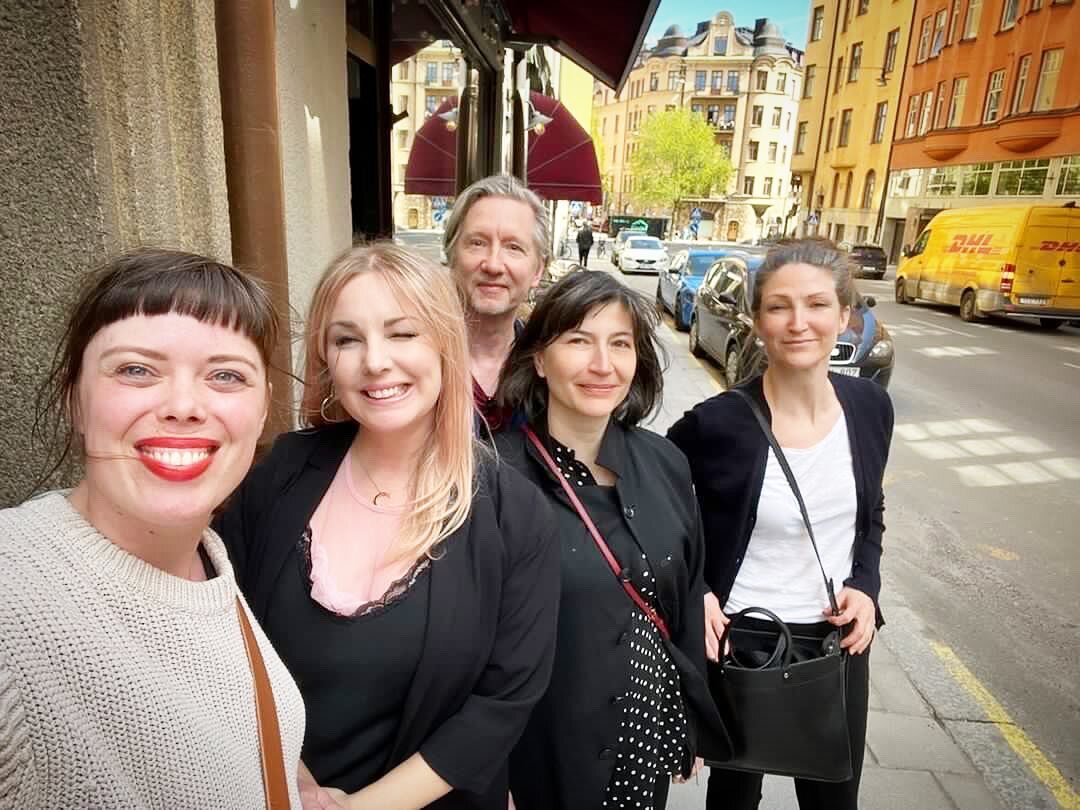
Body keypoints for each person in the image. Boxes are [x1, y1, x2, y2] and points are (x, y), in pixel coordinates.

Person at [214, 242, 561, 809]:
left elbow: (503, 701)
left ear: (447, 346)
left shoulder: (515, 516)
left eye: (402, 333)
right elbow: (227, 639)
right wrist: (294, 780)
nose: (375, 360)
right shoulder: (281, 474)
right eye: (347, 338)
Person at [0, 249, 308, 808]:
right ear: (75, 396)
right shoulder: (13, 598)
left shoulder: (209, 562)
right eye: (137, 369)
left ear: (263, 410)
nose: (184, 405)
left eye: (226, 375)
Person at [666, 239, 894, 810]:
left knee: (835, 799)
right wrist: (697, 591)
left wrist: (866, 586)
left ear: (844, 315)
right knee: (735, 796)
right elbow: (656, 512)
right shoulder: (716, 424)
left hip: (838, 643)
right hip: (746, 644)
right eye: (779, 307)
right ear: (756, 318)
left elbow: (871, 516)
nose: (799, 323)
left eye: (817, 305)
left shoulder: (870, 408)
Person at [495, 271, 730, 810]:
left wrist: (688, 712)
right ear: (538, 358)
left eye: (619, 344)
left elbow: (687, 591)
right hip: (542, 754)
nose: (603, 365)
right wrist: (486, 772)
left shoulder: (665, 463)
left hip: (641, 741)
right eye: (579, 340)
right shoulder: (496, 479)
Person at [442, 174, 551, 431]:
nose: (492, 265)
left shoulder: (552, 371)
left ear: (538, 270)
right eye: (477, 243)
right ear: (452, 256)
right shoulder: (416, 360)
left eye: (513, 247)